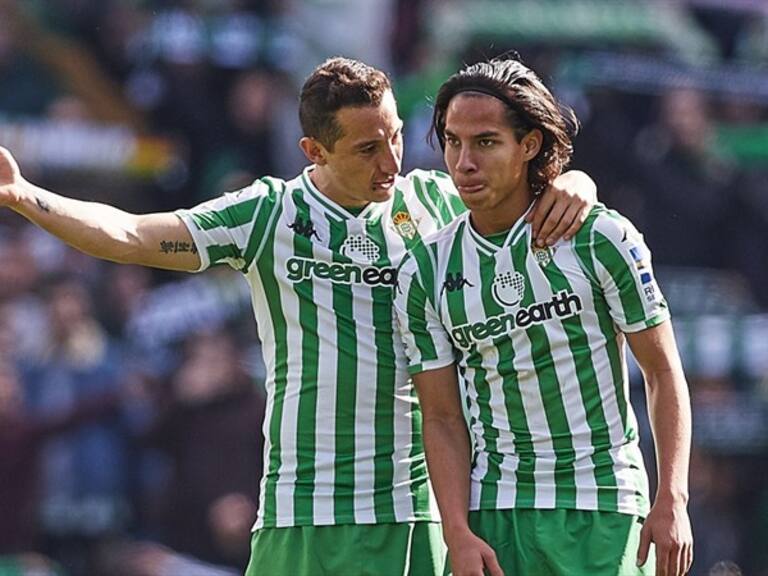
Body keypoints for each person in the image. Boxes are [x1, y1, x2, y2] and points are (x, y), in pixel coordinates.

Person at [0, 57, 597, 575]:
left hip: (411, 510)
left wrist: (577, 181)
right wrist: (28, 197)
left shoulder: (434, 201)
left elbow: (526, 192)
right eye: (367, 148)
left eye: (393, 136)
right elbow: (132, 235)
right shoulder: (269, 216)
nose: (391, 160)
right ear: (314, 151)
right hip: (298, 509)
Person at [394, 57, 693, 576]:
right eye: (452, 140)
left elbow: (663, 371)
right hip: (495, 515)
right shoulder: (425, 270)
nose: (464, 161)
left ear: (529, 145)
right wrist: (456, 532)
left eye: (485, 142)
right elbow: (441, 417)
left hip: (602, 507)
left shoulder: (601, 237)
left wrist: (673, 497)